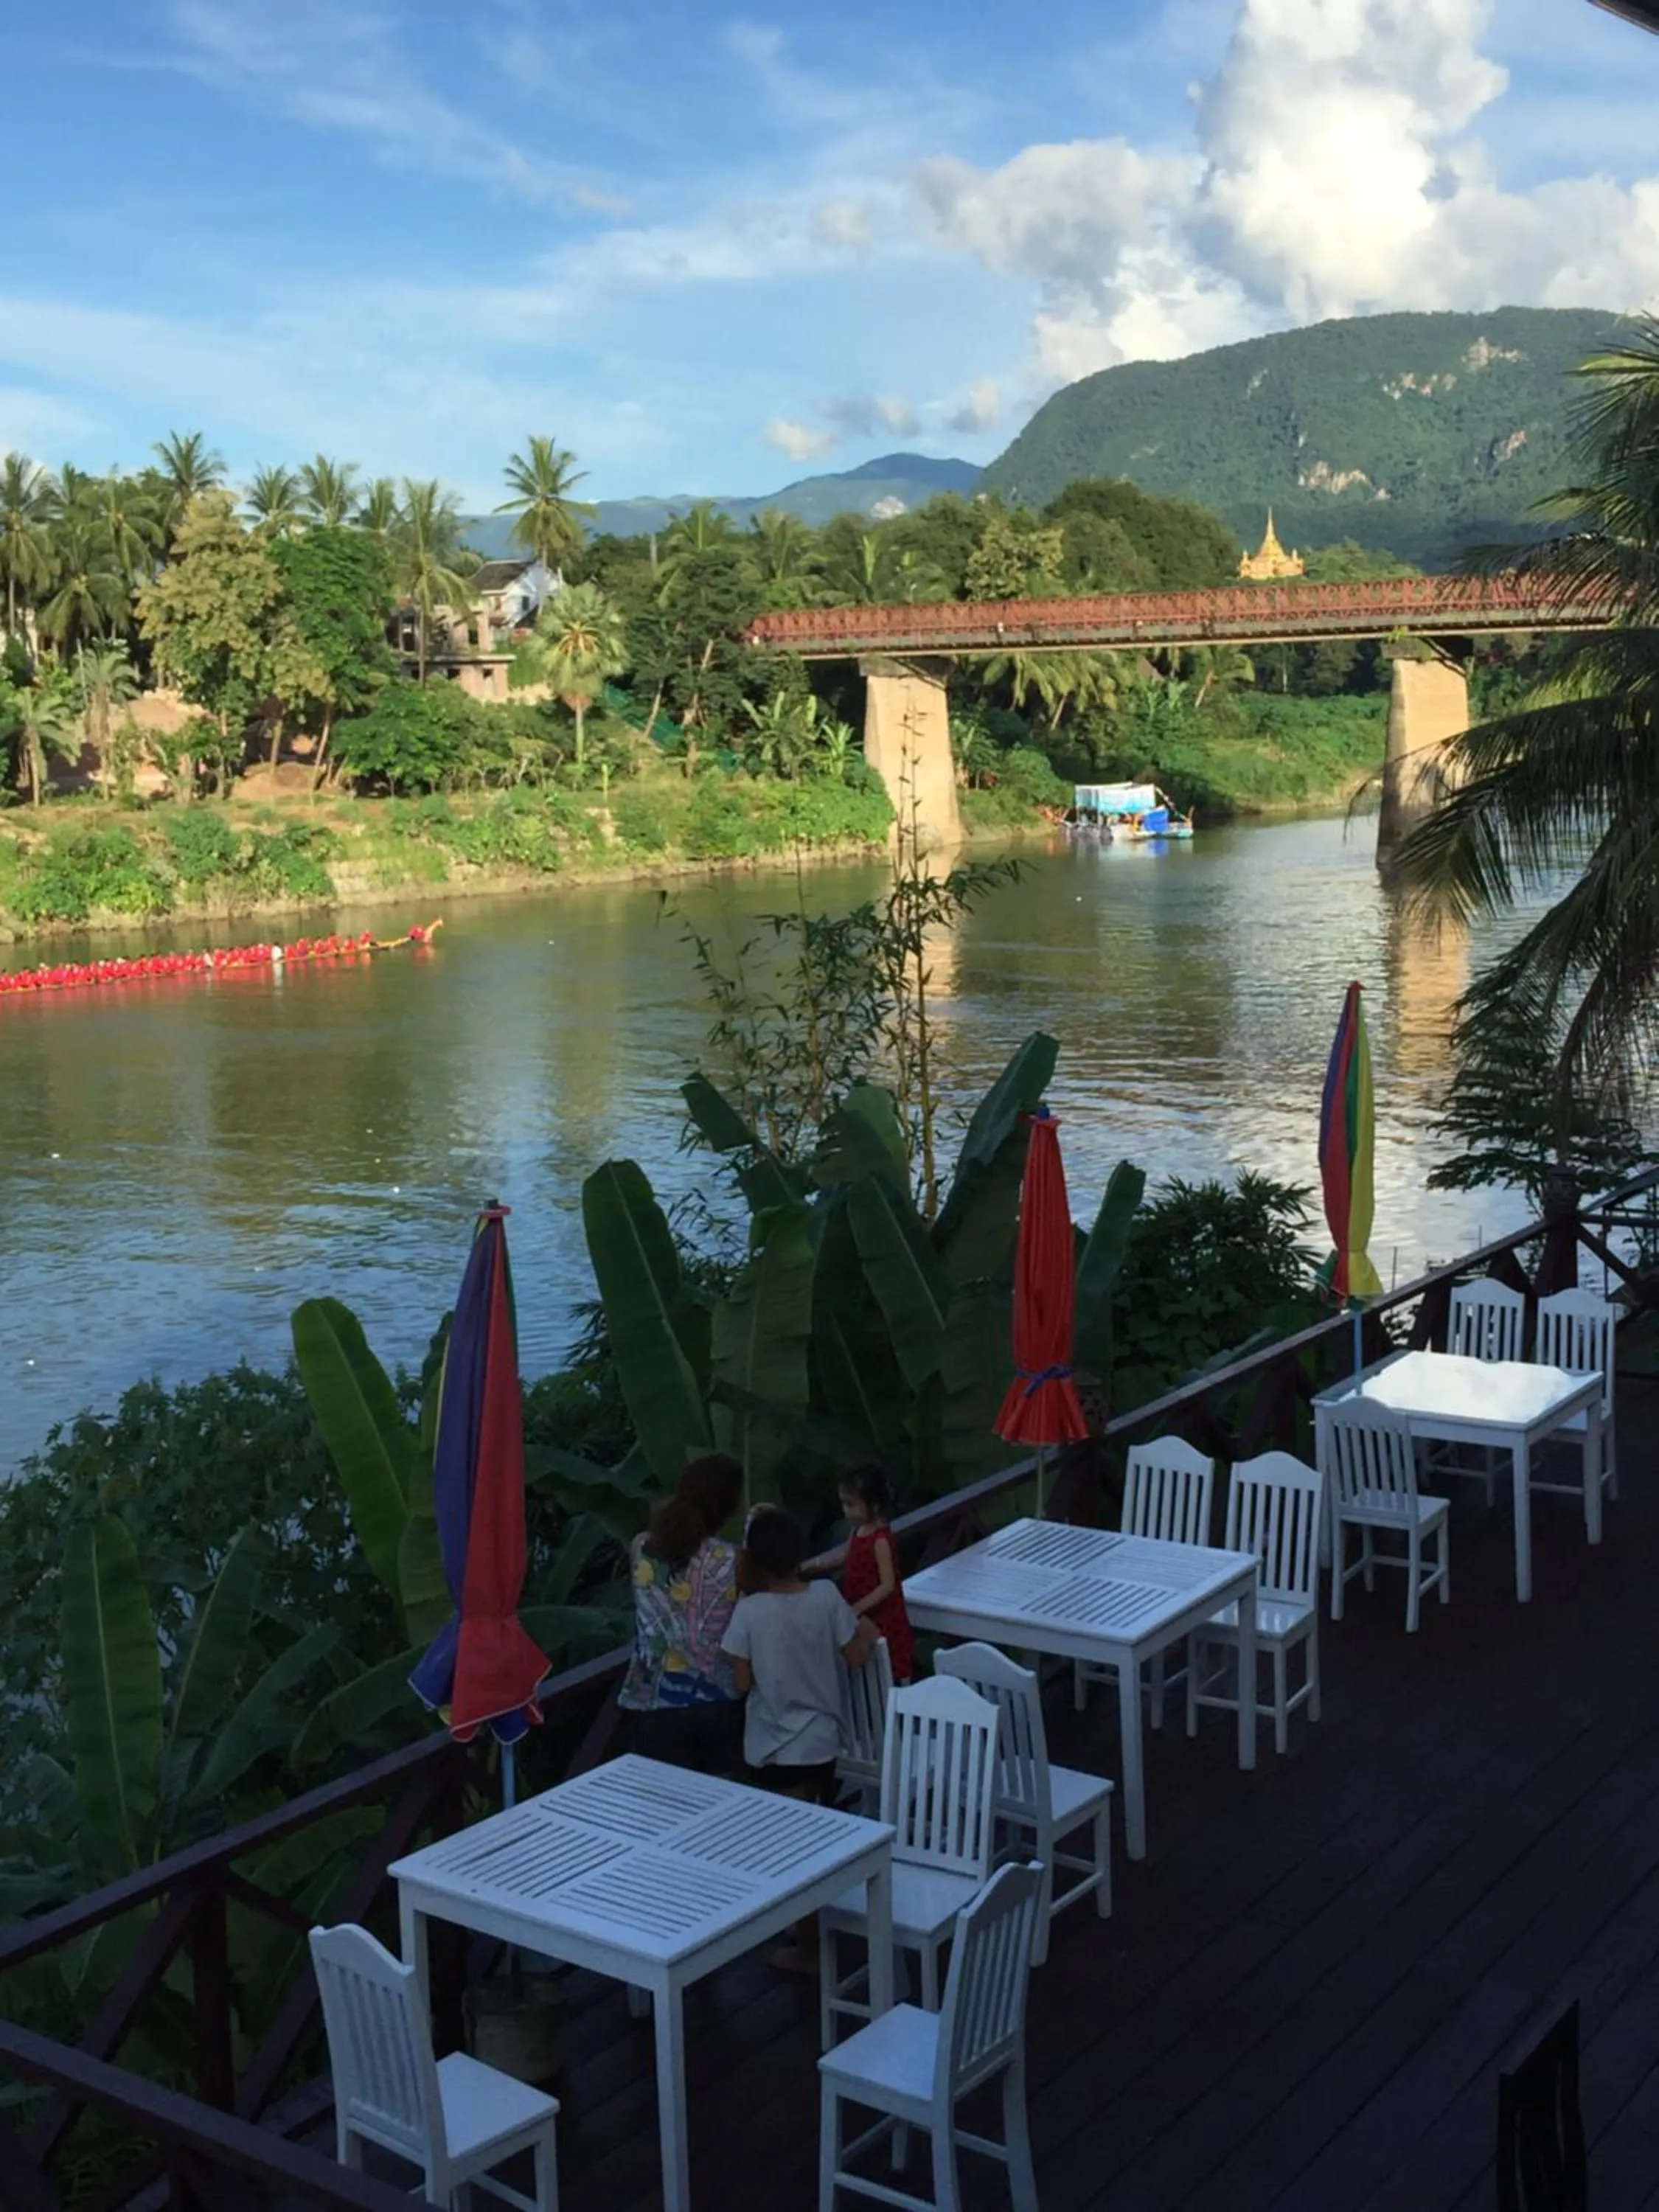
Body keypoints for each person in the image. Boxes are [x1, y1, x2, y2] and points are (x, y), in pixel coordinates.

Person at [721, 1507, 874, 1806]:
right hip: (822, 1746)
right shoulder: (826, 1595)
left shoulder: (749, 1611)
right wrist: (866, 1630)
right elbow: (856, 1655)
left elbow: (741, 1683)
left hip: (769, 1751)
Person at [619, 1452, 745, 1774]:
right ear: (727, 1507)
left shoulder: (641, 1549)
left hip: (655, 1703)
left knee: (667, 1813)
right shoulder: (734, 1560)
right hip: (719, 1700)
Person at [833, 1461, 914, 1686]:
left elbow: (887, 1585)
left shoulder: (880, 1540)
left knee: (890, 1669)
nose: (845, 1511)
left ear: (875, 1505)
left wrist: (859, 1606)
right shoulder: (857, 1530)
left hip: (884, 1617)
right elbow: (844, 1556)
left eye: (850, 1504)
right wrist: (813, 1565)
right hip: (863, 1613)